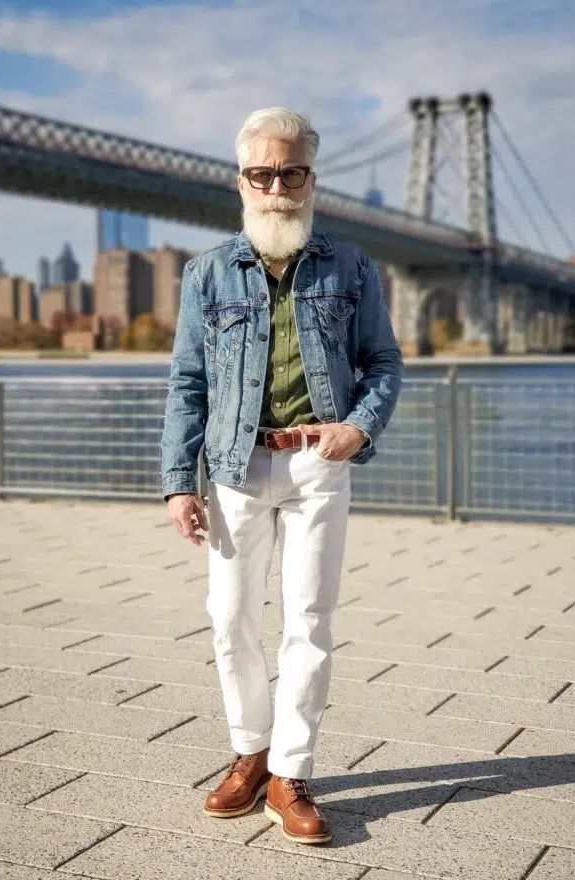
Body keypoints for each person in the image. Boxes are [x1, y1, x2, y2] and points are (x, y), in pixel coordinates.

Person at [161, 107, 403, 845]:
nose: (276, 187)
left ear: (310, 178)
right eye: (262, 174)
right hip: (235, 466)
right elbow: (186, 383)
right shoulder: (206, 273)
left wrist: (358, 426)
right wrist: (180, 480)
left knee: (310, 621)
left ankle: (291, 772)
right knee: (231, 621)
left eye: (290, 172)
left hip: (316, 465)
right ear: (241, 182)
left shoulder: (352, 266)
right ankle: (249, 753)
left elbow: (383, 364)